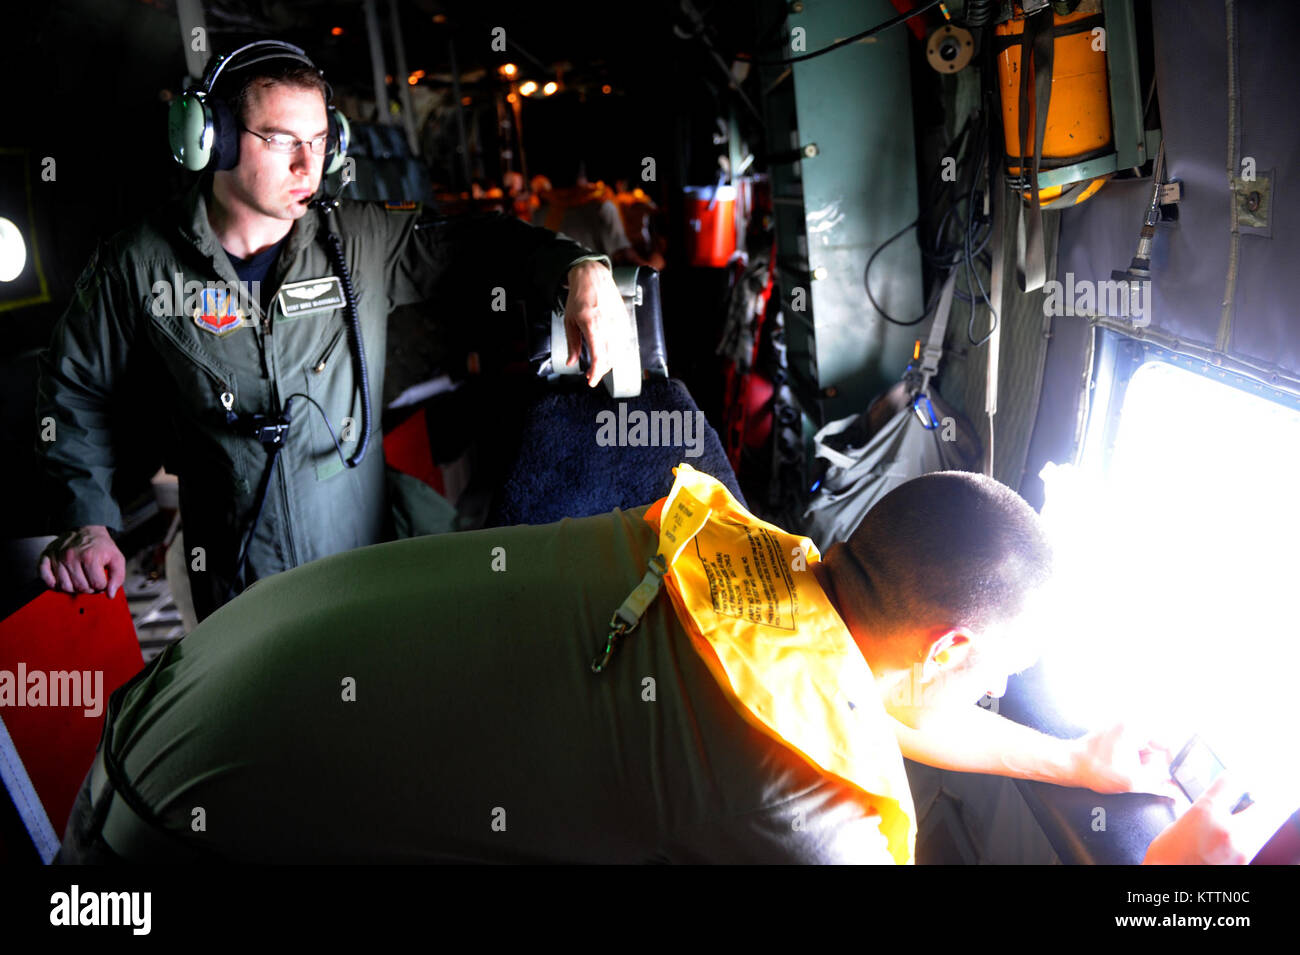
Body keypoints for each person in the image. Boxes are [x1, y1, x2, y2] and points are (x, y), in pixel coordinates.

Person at [56, 465, 1284, 864]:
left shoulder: (746, 559)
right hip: (171, 838)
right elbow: (826, 744)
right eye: (985, 676)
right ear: (954, 643)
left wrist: (1072, 757)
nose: (977, 695)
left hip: (179, 697)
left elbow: (850, 696)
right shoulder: (806, 810)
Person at [35, 42, 628, 620]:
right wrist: (89, 521)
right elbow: (76, 388)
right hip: (235, 588)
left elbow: (488, 242)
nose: (307, 166)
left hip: (363, 568)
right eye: (282, 140)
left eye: (319, 141)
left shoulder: (363, 241)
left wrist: (578, 268)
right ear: (210, 138)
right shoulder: (138, 265)